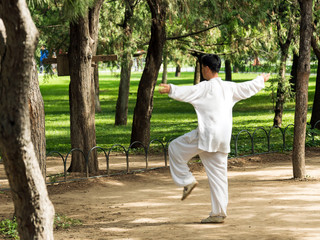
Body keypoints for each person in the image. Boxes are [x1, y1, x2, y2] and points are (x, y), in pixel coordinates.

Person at [159, 54, 270, 224]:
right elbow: (247, 87)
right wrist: (260, 80)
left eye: (202, 67)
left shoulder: (205, 88)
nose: (202, 70)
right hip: (223, 138)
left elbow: (188, 91)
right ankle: (218, 213)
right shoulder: (229, 87)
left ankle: (187, 181)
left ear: (207, 69)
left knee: (174, 147)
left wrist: (171, 89)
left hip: (206, 135)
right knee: (219, 176)